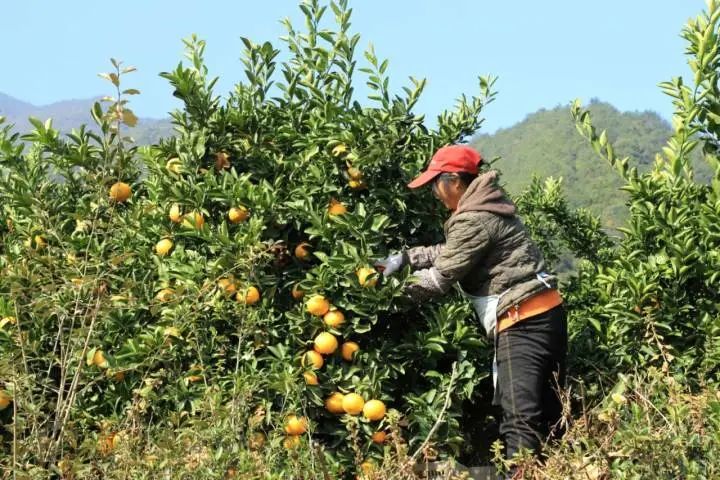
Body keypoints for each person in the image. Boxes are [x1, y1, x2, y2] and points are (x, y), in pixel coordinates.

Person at [376, 144, 567, 463]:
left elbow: (439, 278)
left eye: (435, 184)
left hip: (522, 320)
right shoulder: (486, 206)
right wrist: (406, 257)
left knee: (519, 417)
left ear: (452, 180)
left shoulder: (474, 217)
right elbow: (454, 250)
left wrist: (381, 298)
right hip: (546, 313)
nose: (435, 192)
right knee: (547, 413)